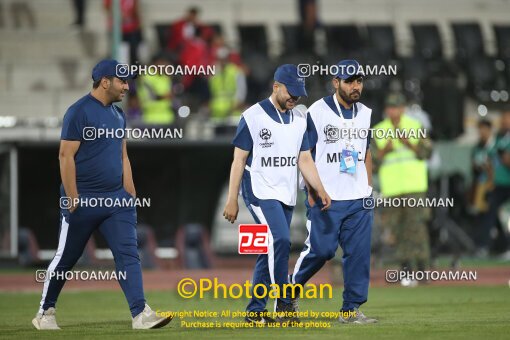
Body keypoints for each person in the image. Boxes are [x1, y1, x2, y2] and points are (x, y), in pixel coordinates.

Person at [32, 60, 172, 330]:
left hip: (116, 201)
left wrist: (129, 192)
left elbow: (123, 154)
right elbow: (65, 155)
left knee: (128, 255)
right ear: (105, 81)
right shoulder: (78, 112)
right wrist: (73, 197)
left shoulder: (119, 114)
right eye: (122, 81)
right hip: (83, 200)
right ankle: (45, 312)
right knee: (67, 257)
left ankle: (140, 314)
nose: (126, 86)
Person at [223, 64, 331, 325]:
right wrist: (232, 199)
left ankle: (255, 312)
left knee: (268, 249)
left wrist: (320, 188)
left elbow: (304, 158)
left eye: (298, 93)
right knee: (281, 239)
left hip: (285, 191)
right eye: (291, 92)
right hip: (259, 190)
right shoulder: (252, 116)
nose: (295, 98)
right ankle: (284, 303)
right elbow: (238, 160)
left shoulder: (300, 118)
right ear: (276, 87)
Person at [291, 59, 376, 323]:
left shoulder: (365, 112)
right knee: (322, 251)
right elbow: (303, 153)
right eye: (349, 80)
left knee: (359, 255)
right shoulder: (317, 111)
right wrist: (314, 190)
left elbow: (366, 151)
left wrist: (368, 188)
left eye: (359, 81)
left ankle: (351, 310)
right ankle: (288, 291)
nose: (355, 86)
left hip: (358, 198)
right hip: (325, 196)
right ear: (335, 82)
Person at [373, 93, 432, 286]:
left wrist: (409, 143)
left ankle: (423, 269)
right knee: (397, 230)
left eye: (396, 107)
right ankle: (406, 269)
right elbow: (371, 163)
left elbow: (428, 152)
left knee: (416, 229)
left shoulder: (415, 127)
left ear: (403, 108)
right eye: (390, 107)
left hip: (414, 187)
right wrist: (385, 151)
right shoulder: (379, 130)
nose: (393, 111)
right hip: (392, 189)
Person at [485, 109, 510, 259]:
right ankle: (501, 246)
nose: (504, 122)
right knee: (496, 216)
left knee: (505, 214)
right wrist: (490, 179)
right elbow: (490, 160)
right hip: (499, 184)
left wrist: (504, 157)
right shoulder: (499, 138)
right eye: (503, 119)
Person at [471, 119, 494, 255]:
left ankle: (486, 244)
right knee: (482, 215)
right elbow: (474, 166)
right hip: (480, 184)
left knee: (492, 215)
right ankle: (482, 245)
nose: (482, 132)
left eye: (484, 129)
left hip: (492, 185)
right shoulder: (477, 147)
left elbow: (493, 167)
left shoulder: (493, 146)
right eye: (480, 129)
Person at [208, 47, 246, 121]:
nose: (222, 61)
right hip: (216, 113)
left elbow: (241, 92)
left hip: (233, 112)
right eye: (220, 59)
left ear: (228, 59)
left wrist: (236, 104)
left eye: (224, 59)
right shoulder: (213, 72)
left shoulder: (236, 72)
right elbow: (210, 92)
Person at [137, 54, 175, 126]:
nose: (166, 66)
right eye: (164, 63)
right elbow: (149, 97)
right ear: (157, 62)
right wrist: (164, 96)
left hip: (167, 118)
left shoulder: (165, 77)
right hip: (151, 119)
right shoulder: (146, 77)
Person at [104, 0, 143, 64]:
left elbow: (135, 10)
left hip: (131, 28)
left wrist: (139, 24)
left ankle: (135, 70)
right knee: (116, 52)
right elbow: (107, 8)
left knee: (133, 52)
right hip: (116, 29)